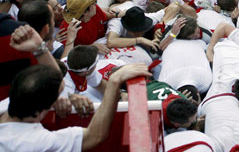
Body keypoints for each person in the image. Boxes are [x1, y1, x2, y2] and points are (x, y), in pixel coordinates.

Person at [0, 62, 151, 151]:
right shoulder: (37, 142)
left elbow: (55, 79)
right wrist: (114, 81)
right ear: (44, 109)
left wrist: (68, 96)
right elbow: (95, 135)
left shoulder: (7, 104)